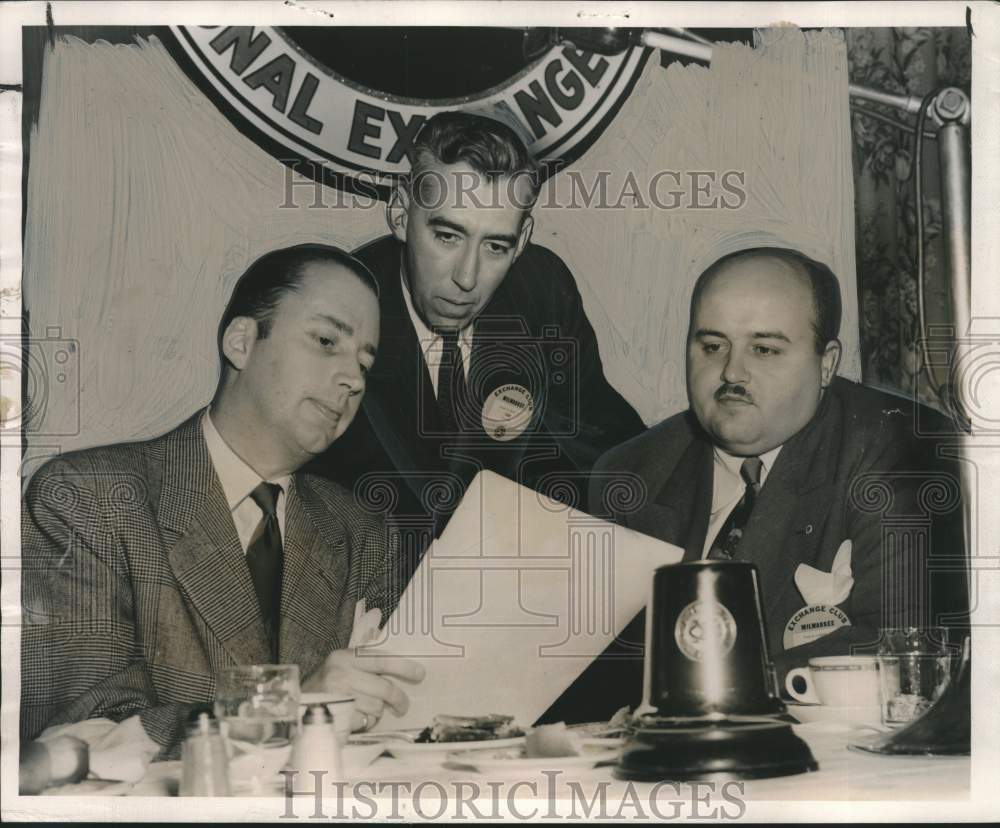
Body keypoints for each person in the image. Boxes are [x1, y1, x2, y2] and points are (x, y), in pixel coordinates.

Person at [20, 244, 425, 755]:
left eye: (365, 364)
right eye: (326, 341)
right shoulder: (85, 499)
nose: (352, 379)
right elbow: (79, 737)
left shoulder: (362, 532)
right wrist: (291, 708)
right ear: (241, 342)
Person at [543, 246, 968, 722]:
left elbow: (905, 647)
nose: (731, 373)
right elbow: (588, 675)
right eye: (711, 346)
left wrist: (704, 694)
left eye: (763, 349)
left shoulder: (902, 446)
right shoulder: (628, 473)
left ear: (826, 363)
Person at [312, 111, 644, 566]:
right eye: (447, 236)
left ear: (523, 239)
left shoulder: (541, 290)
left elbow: (610, 452)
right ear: (400, 213)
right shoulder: (335, 309)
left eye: (496, 247)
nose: (467, 279)